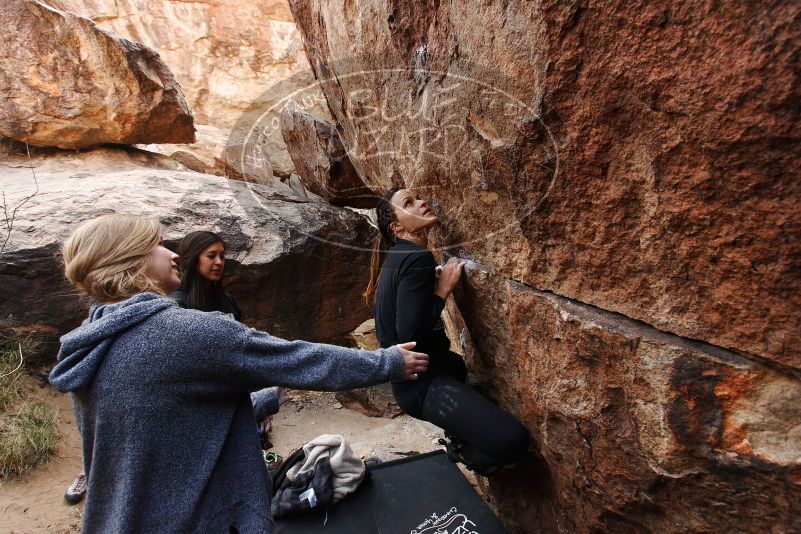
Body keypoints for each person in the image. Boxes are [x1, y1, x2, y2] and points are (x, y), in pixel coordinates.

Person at [49, 214, 428, 533]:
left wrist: (263, 400)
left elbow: (161, 426)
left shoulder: (89, 343)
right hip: (198, 519)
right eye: (157, 245)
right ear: (132, 261)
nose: (172, 253)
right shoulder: (182, 332)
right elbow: (300, 359)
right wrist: (387, 362)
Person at [365, 188, 530, 475]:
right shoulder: (416, 258)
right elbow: (408, 332)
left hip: (426, 375)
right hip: (422, 386)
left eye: (417, 198)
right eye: (409, 203)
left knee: (457, 365)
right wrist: (442, 291)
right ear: (397, 226)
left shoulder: (400, 255)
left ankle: (463, 429)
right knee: (514, 441)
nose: (421, 202)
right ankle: (461, 449)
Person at [169, 231, 290, 448]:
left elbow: (242, 355)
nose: (218, 262)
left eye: (222, 257)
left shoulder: (226, 302)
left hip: (236, 391)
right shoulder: (177, 306)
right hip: (204, 404)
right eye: (211, 256)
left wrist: (261, 404)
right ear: (193, 258)